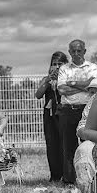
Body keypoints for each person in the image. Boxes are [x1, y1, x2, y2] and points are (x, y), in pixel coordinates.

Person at [57, 40, 97, 184]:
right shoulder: (64, 68)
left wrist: (71, 83)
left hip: (87, 110)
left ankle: (88, 179)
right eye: (73, 51)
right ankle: (70, 180)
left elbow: (93, 85)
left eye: (79, 51)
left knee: (87, 145)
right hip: (68, 110)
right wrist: (84, 85)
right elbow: (61, 90)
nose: (76, 54)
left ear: (84, 51)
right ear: (69, 52)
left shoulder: (92, 67)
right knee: (68, 146)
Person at [35, 51, 68, 183]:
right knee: (52, 143)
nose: (57, 66)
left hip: (64, 114)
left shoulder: (68, 79)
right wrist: (48, 81)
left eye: (60, 64)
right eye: (54, 64)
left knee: (64, 143)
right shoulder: (46, 79)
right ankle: (55, 175)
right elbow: (38, 95)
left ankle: (67, 174)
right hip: (50, 115)